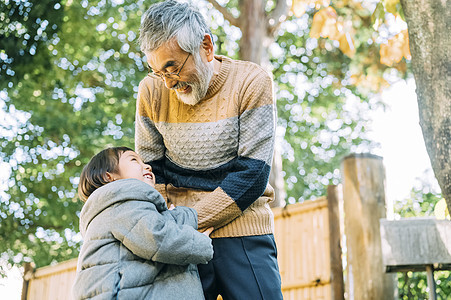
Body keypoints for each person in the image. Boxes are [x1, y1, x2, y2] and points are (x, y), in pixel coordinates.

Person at [136, 1, 283, 299]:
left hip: (243, 230)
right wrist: (174, 227)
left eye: (172, 67)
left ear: (205, 46)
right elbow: (151, 172)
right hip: (179, 237)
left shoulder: (252, 81)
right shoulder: (151, 91)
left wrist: (191, 220)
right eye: (157, 71)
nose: (168, 83)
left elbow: (253, 175)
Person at [72, 147, 213, 299]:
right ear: (109, 176)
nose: (147, 166)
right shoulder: (121, 200)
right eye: (134, 160)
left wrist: (172, 217)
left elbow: (146, 230)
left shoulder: (116, 209)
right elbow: (157, 238)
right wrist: (200, 242)